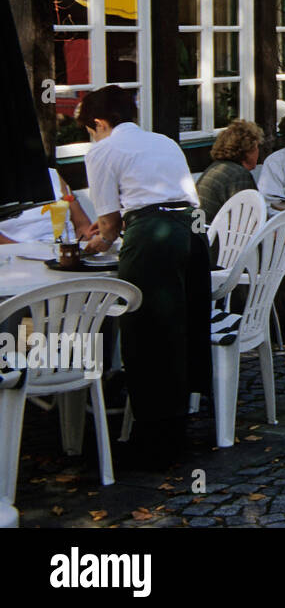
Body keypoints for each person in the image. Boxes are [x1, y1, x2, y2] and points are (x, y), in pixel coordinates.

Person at [78, 86, 210, 468]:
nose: (92, 137)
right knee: (180, 329)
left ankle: (154, 443)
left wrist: (90, 245)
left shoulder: (103, 150)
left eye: (91, 130)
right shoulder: (163, 141)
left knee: (146, 334)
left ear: (99, 123)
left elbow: (108, 224)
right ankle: (178, 427)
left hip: (152, 237)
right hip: (192, 233)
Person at [196, 119, 264, 225]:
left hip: (202, 234)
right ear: (248, 151)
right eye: (257, 147)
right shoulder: (239, 176)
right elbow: (248, 222)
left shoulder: (216, 167)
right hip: (217, 238)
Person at [0, 167, 94, 244]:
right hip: (19, 256)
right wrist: (25, 251)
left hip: (65, 251)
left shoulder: (52, 174)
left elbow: (82, 225)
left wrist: (79, 249)